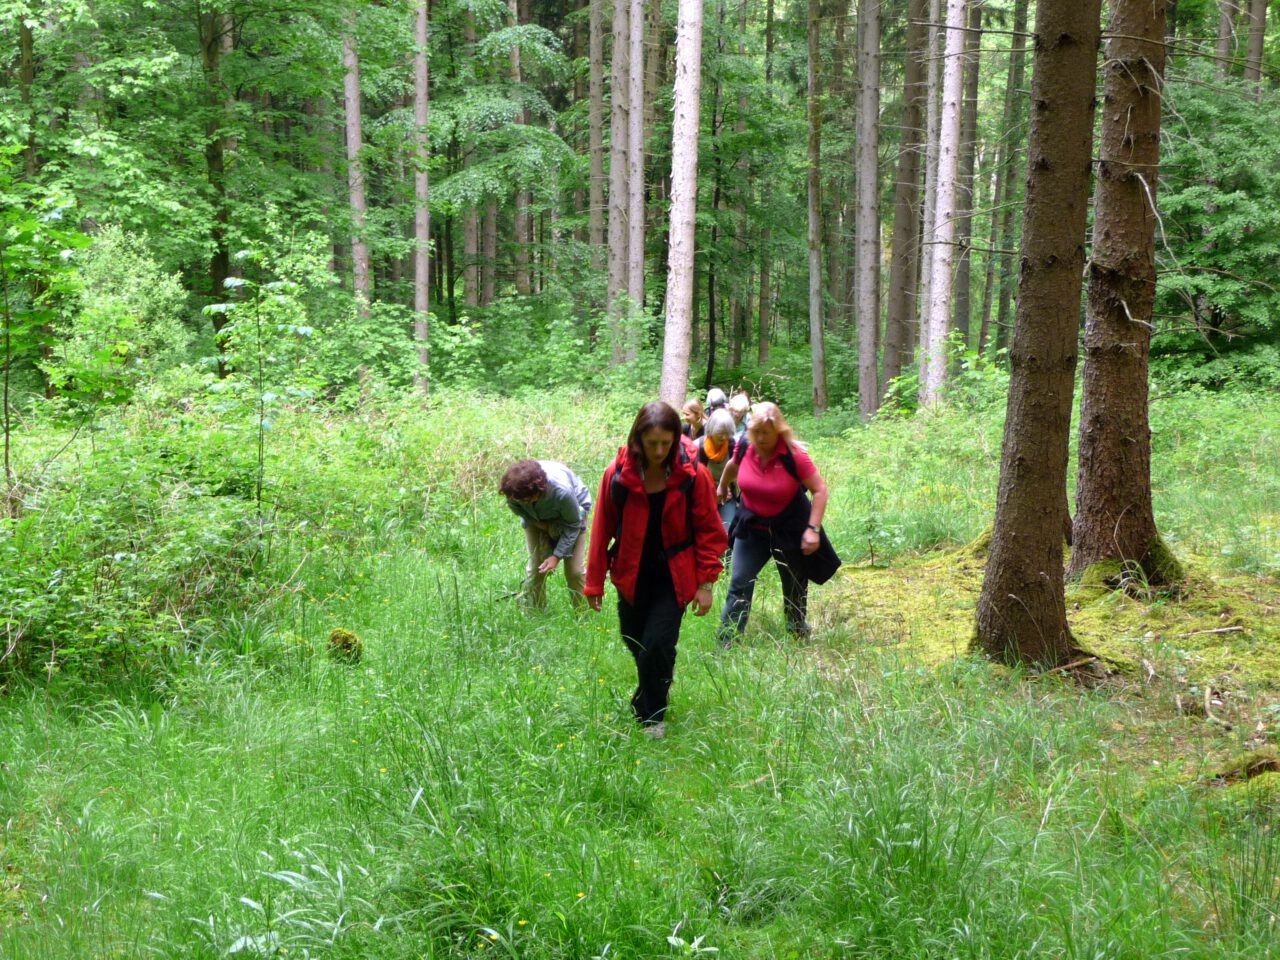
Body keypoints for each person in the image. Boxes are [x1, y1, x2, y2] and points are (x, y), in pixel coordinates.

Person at [585, 402, 728, 738]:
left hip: (674, 575)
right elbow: (601, 528)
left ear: (677, 438)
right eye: (652, 444)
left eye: (666, 443)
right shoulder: (617, 475)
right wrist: (594, 583)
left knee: (658, 644)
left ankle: (653, 717)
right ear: (638, 440)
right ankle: (650, 688)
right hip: (631, 573)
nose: (660, 450)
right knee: (636, 640)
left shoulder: (694, 475)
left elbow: (710, 530)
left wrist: (706, 583)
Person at [715, 402, 829, 645]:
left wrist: (813, 530)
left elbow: (819, 490)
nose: (761, 438)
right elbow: (731, 466)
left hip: (789, 528)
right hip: (752, 527)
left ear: (779, 430)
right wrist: (722, 487)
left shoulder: (794, 456)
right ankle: (728, 641)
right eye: (756, 432)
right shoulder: (745, 446)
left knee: (794, 585)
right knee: (739, 582)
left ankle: (797, 631)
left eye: (767, 432)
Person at [500, 459, 592, 608]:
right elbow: (521, 511)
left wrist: (556, 555)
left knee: (574, 571)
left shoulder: (562, 492)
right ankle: (536, 614)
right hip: (535, 520)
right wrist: (544, 528)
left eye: (527, 499)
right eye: (519, 500)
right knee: (536, 569)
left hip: (573, 517)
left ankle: (583, 617)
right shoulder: (514, 493)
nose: (523, 502)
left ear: (539, 491)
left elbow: (574, 524)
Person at [698, 408, 739, 538]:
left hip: (728, 496)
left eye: (727, 433)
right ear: (711, 430)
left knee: (726, 534)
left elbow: (740, 473)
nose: (723, 437)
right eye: (720, 433)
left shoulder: (734, 447)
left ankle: (725, 558)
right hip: (704, 498)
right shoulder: (697, 448)